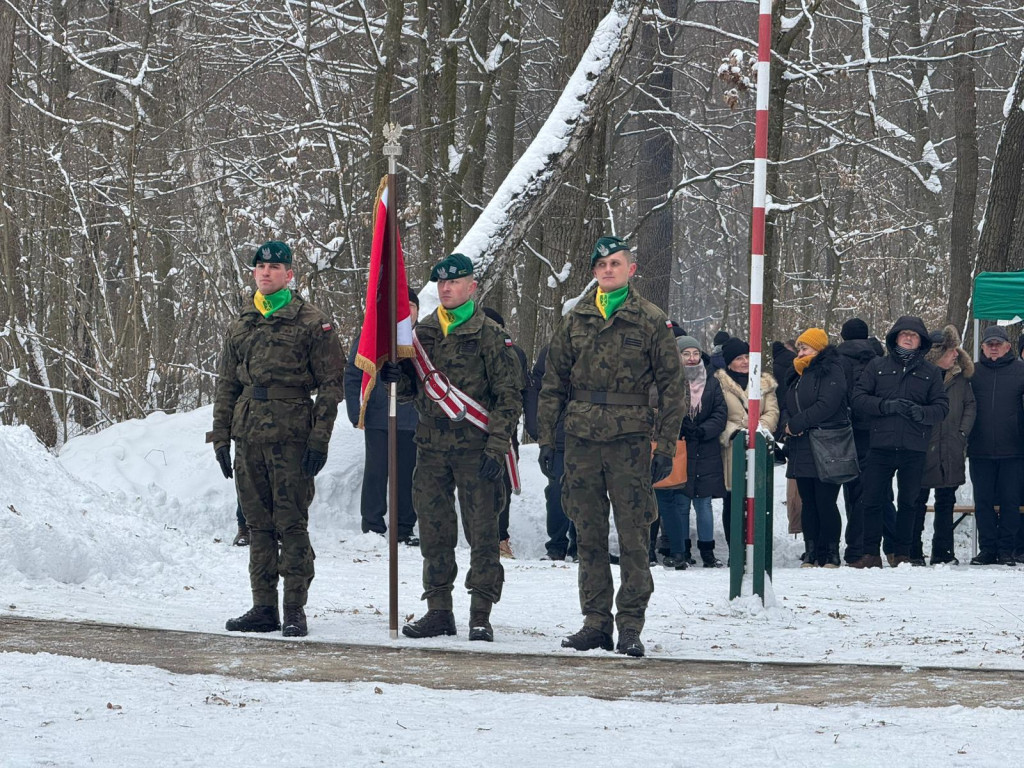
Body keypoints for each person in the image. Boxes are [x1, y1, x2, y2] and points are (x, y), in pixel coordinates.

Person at [539, 235, 685, 658]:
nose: (607, 270)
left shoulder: (650, 319)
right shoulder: (575, 318)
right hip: (582, 440)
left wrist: (666, 447)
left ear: (630, 269)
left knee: (635, 534)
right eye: (600, 264)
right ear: (593, 272)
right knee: (587, 533)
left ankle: (630, 624)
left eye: (615, 263)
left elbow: (672, 389)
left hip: (631, 441)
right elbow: (553, 383)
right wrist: (548, 437)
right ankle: (595, 622)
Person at [381, 253, 523, 642]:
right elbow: (415, 392)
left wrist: (497, 449)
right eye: (441, 283)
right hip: (431, 449)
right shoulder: (420, 333)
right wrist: (395, 378)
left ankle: (480, 613)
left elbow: (508, 397)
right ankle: (439, 610)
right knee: (434, 533)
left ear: (472, 286)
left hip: (476, 450)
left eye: (455, 282)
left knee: (482, 533)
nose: (446, 288)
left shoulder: (490, 334)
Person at [208, 240, 346, 637]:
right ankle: (263, 606)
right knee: (258, 525)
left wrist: (320, 439)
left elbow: (332, 386)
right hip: (248, 434)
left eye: (275, 266)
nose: (266, 272)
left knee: (291, 524)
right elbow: (226, 385)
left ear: (289, 274)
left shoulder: (311, 322)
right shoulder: (242, 322)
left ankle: (294, 609)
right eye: (260, 266)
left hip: (292, 437)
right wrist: (220, 437)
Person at [850, 316, 948, 568]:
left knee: (910, 502)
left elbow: (942, 407)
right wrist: (884, 405)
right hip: (880, 445)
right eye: (903, 333)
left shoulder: (931, 372)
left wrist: (922, 413)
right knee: (871, 500)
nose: (907, 338)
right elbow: (859, 398)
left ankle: (902, 554)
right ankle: (870, 554)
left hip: (914, 447)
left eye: (913, 335)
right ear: (894, 337)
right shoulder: (877, 365)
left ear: (920, 341)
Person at [343, 287, 421, 546]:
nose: (407, 311)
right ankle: (373, 525)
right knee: (377, 472)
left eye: (412, 306)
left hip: (411, 419)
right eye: (402, 306)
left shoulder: (424, 338)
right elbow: (354, 373)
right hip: (378, 416)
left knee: (407, 474)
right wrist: (356, 411)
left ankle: (404, 528)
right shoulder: (373, 337)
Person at [781, 329, 849, 568]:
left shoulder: (831, 370)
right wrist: (787, 425)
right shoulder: (797, 374)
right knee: (807, 501)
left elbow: (827, 404)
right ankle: (811, 551)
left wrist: (797, 423)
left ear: (819, 349)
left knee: (826, 501)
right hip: (801, 445)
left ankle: (830, 551)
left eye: (805, 348)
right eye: (799, 348)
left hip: (827, 446)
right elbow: (787, 405)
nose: (800, 352)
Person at [910, 326, 975, 565]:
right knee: (917, 500)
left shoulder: (960, 378)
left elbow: (970, 406)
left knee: (946, 500)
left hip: (951, 446)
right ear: (937, 354)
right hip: (923, 447)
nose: (956, 355)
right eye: (951, 351)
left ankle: (943, 552)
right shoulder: (918, 376)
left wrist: (961, 432)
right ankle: (913, 551)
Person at [663, 335, 726, 568]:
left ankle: (707, 552)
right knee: (680, 502)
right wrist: (681, 426)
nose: (691, 358)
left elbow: (720, 412)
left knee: (704, 504)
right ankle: (682, 549)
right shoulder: (669, 379)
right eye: (686, 354)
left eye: (695, 353)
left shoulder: (711, 381)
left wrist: (702, 430)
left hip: (706, 449)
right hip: (680, 448)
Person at [966, 325, 1024, 566]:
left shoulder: (1021, 371)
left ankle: (1007, 549)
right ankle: (987, 548)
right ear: (982, 347)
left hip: (1014, 449)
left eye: (998, 344)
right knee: (983, 502)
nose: (993, 347)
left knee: (1011, 501)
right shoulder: (972, 373)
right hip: (980, 450)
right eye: (989, 344)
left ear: (1008, 347)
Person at [715, 337, 780, 545]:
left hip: (759, 444)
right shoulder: (719, 384)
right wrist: (736, 431)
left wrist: (759, 428)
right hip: (733, 447)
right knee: (733, 500)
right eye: (739, 358)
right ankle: (735, 546)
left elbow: (772, 411)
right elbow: (718, 414)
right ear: (729, 362)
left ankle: (756, 543)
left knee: (757, 497)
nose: (744, 361)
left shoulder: (764, 383)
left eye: (747, 356)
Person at [482, 306, 530, 560]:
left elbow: (524, 392)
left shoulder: (515, 353)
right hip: (469, 428)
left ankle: (501, 538)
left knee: (502, 485)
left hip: (503, 429)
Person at [836, 317, 884, 564]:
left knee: (851, 489)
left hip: (846, 431)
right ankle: (862, 546)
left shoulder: (837, 360)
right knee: (871, 491)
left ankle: (853, 547)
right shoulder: (879, 360)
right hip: (875, 430)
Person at [525, 344, 577, 562]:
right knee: (557, 490)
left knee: (590, 491)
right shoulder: (551, 350)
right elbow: (538, 392)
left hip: (596, 434)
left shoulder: (608, 344)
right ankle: (556, 545)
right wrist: (540, 432)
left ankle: (582, 545)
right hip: (560, 433)